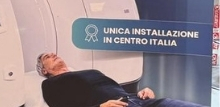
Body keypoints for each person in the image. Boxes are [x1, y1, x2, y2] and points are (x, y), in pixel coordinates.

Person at [36, 53, 206, 107]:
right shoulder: (50, 84)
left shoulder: (86, 72)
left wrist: (140, 93)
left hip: (137, 100)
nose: (53, 54)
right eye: (47, 57)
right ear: (44, 70)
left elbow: (113, 88)